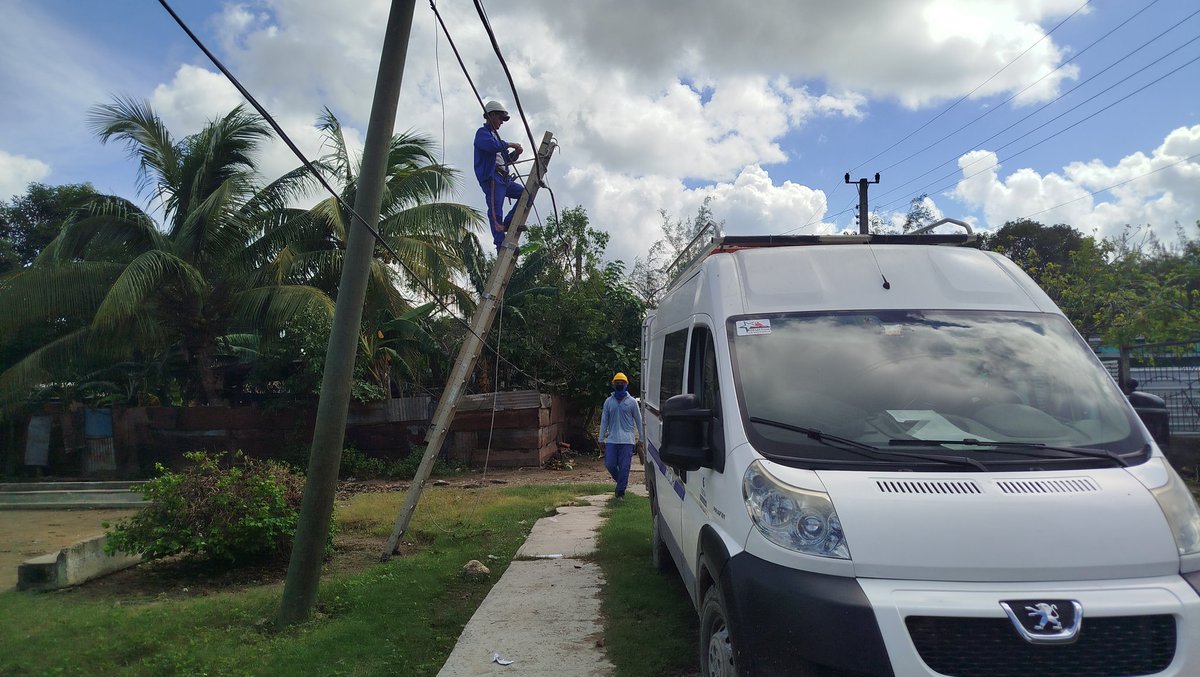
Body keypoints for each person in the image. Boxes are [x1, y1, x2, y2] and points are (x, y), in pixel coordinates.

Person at [473, 100, 524, 251]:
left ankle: (508, 223)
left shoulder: (495, 137)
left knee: (524, 194)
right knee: (496, 210)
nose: (501, 122)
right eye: (500, 118)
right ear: (492, 115)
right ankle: (500, 244)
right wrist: (510, 144)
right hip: (493, 178)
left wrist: (516, 153)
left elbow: (505, 160)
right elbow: (491, 147)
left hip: (504, 178)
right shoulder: (482, 134)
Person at [599, 372, 644, 499]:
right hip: (612, 439)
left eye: (622, 383)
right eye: (617, 383)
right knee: (610, 464)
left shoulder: (632, 402)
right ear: (613, 384)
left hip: (627, 440)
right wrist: (601, 439)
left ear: (626, 385)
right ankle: (621, 484)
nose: (619, 385)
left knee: (624, 467)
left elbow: (639, 421)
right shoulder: (608, 402)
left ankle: (620, 492)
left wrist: (641, 439)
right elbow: (604, 421)